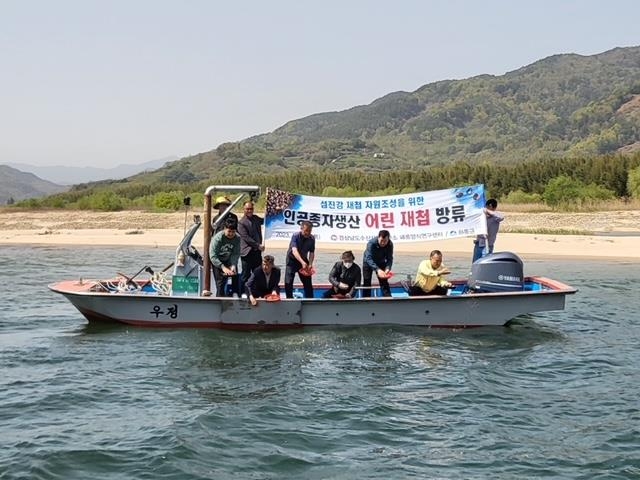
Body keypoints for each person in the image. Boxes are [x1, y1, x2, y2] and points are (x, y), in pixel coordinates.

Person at [210, 217, 241, 297]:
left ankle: (234, 298)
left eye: (233, 232)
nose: (231, 234)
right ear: (224, 229)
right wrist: (223, 267)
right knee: (220, 283)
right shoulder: (218, 238)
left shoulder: (237, 238)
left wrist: (233, 265)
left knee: (235, 278)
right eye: (229, 231)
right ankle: (219, 301)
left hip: (229, 259)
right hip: (217, 261)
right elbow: (213, 256)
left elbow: (236, 253)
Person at [284, 220, 315, 298]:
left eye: (309, 231)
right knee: (289, 281)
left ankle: (310, 299)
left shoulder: (312, 238)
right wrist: (302, 262)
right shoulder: (295, 236)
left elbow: (311, 252)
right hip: (292, 260)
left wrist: (310, 263)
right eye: (306, 231)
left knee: (308, 282)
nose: (308, 233)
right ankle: (289, 299)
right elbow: (294, 251)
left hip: (304, 260)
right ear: (301, 229)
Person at [238, 201, 265, 287]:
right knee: (245, 275)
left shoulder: (256, 218)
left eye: (251, 209)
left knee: (258, 273)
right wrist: (258, 245)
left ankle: (256, 292)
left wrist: (272, 211)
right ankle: (241, 293)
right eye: (247, 209)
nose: (249, 211)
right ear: (244, 209)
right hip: (246, 253)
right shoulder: (241, 223)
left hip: (256, 253)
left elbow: (266, 221)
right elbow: (246, 238)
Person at [362, 230, 393, 297]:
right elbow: (368, 258)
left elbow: (389, 258)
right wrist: (377, 269)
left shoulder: (390, 244)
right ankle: (366, 299)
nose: (383, 243)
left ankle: (388, 298)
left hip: (381, 262)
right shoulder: (371, 243)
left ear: (388, 239)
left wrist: (388, 267)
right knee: (367, 281)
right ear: (378, 237)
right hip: (368, 262)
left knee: (384, 281)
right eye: (381, 240)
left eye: (385, 241)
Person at [472, 198, 505, 263]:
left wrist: (487, 211)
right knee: (475, 263)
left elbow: (501, 217)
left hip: (488, 245)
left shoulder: (495, 217)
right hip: (478, 244)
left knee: (485, 262)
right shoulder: (482, 217)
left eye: (487, 207)